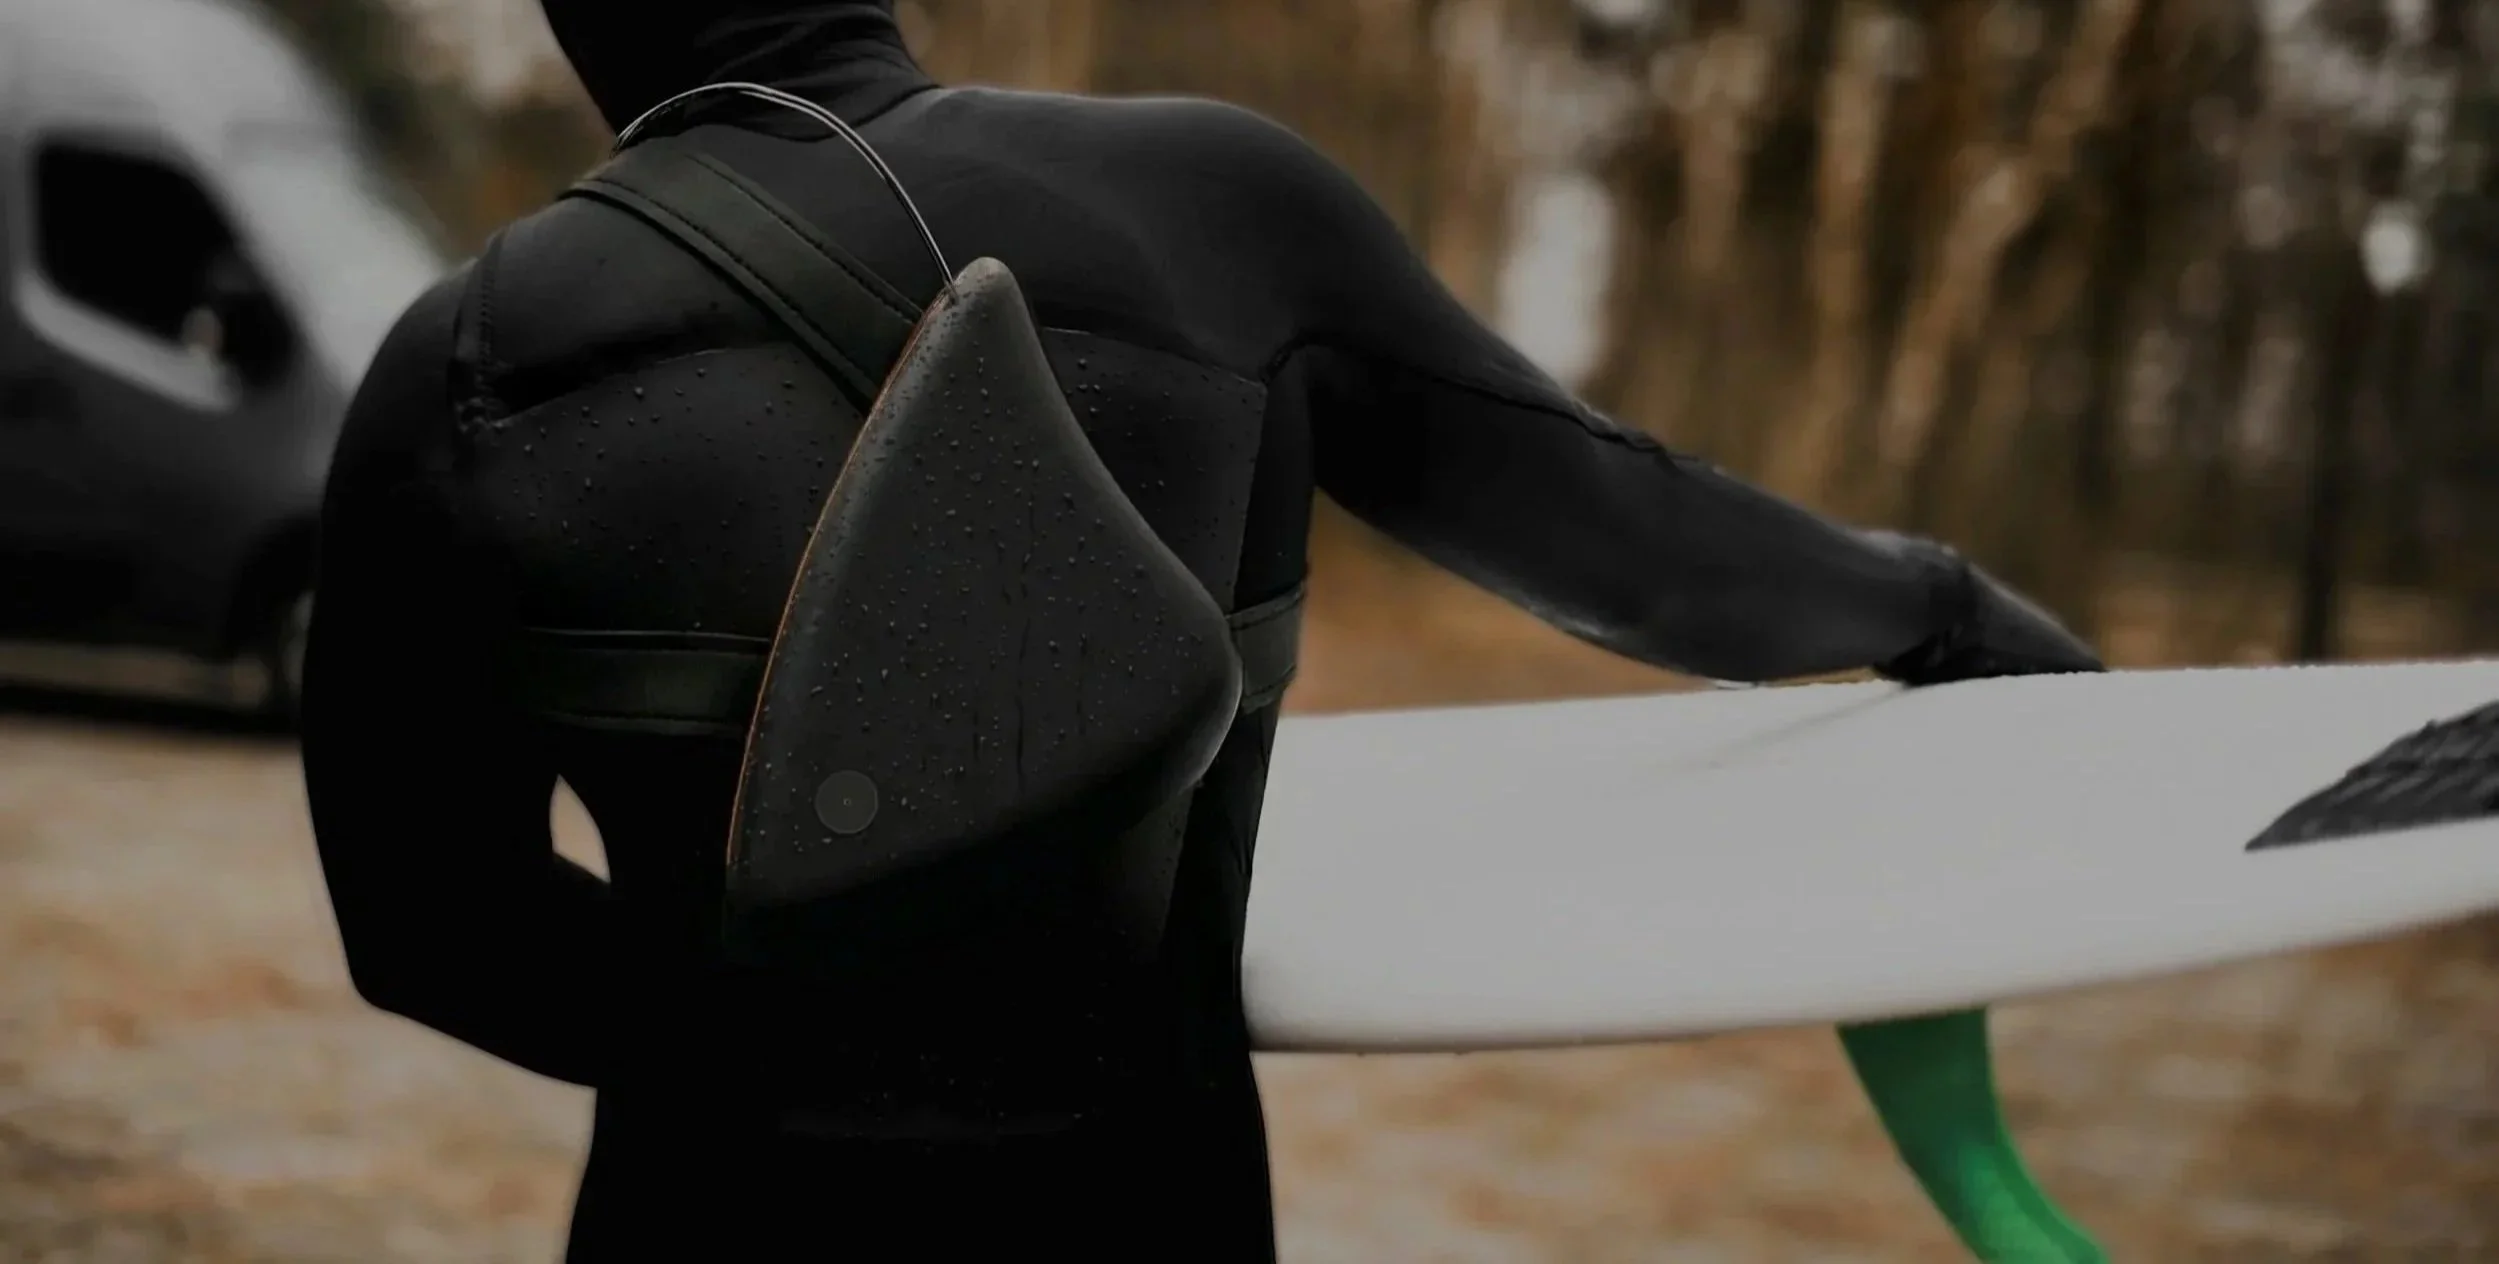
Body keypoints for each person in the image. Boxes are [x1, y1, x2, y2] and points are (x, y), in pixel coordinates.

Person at [299, 2, 2103, 1259]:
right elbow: (1640, 551)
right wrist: (1937, 606)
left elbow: (427, 930)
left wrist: (807, 1051)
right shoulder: (1205, 209)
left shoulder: (459, 366)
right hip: (1138, 1210)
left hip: (696, 1222)